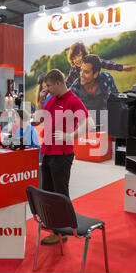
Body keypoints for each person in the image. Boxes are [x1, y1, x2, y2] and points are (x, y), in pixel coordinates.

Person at [37, 69, 94, 245]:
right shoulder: (51, 99)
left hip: (61, 155)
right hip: (47, 152)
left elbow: (89, 124)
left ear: (58, 83)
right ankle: (56, 227)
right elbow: (39, 119)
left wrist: (70, 136)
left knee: (60, 193)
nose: (46, 89)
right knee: (47, 191)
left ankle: (63, 230)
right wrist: (40, 100)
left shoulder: (73, 100)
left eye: (48, 86)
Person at [65, 41, 136, 88]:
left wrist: (122, 67)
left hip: (99, 88)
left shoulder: (91, 60)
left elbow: (106, 63)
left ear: (83, 54)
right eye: (74, 58)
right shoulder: (74, 70)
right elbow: (68, 83)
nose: (77, 60)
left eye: (78, 55)